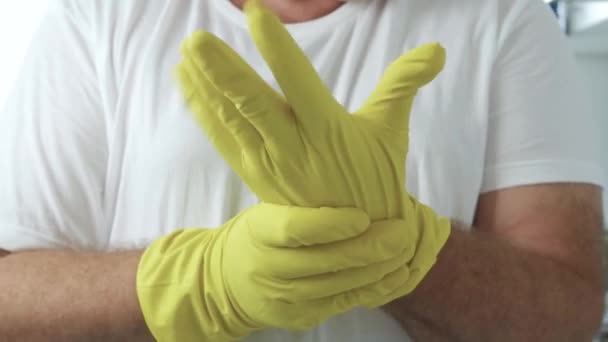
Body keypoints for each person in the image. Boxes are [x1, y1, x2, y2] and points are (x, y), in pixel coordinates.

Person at [0, 0, 604, 341]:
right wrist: (202, 282)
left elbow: (568, 311)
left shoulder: (504, 20)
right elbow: (13, 301)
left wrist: (401, 248)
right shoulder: (97, 18)